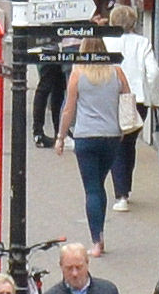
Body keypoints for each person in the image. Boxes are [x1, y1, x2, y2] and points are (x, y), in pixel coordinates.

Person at [60, 25, 140, 262]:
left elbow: (68, 109)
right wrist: (125, 125)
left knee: (92, 189)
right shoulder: (116, 71)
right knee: (99, 185)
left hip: (86, 138)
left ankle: (97, 241)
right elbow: (127, 99)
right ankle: (100, 235)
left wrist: (60, 137)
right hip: (112, 137)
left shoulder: (77, 73)